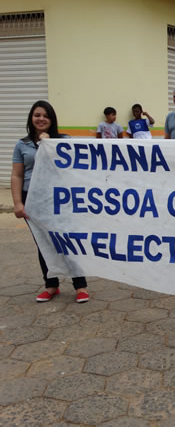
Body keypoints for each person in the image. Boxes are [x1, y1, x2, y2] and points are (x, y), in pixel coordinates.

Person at [11, 101, 90, 303]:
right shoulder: (22, 145)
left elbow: (71, 168)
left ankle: (80, 285)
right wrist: (18, 203)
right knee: (43, 243)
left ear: (52, 119)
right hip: (32, 200)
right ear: (31, 118)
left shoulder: (63, 141)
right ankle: (51, 285)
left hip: (59, 199)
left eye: (45, 115)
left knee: (67, 240)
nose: (41, 119)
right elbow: (17, 175)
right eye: (37, 115)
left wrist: (48, 145)